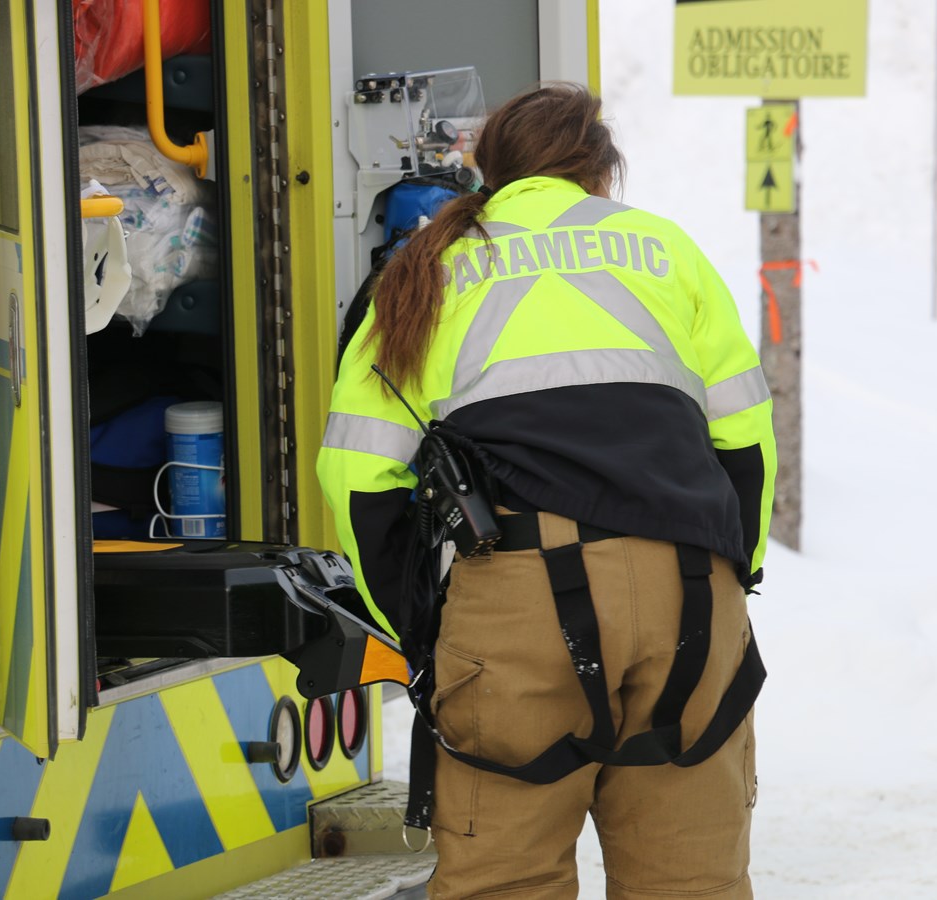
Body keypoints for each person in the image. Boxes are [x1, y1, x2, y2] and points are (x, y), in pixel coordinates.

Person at [317, 83, 776, 899]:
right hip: (690, 600)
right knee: (692, 882)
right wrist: (732, 573)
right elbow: (744, 441)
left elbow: (358, 475)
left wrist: (423, 627)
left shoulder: (426, 268)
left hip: (517, 599)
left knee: (504, 882)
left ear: (488, 174)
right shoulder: (663, 248)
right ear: (601, 173)